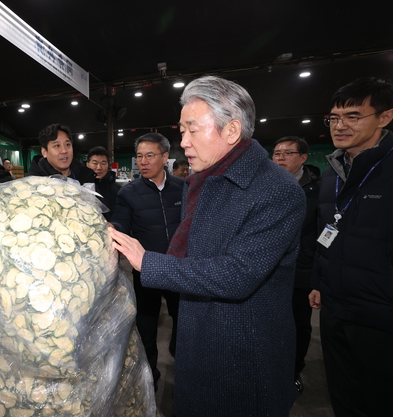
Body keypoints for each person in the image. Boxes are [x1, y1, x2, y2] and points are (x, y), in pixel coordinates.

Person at [110, 75, 304, 417]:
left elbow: (238, 274)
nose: (183, 142)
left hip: (244, 350)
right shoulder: (202, 182)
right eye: (181, 131)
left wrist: (148, 262)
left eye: (192, 130)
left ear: (230, 131)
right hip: (199, 337)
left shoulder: (276, 191)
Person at [309, 77, 393, 417]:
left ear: (385, 117)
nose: (340, 126)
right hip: (335, 307)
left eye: (353, 116)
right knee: (344, 397)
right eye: (334, 117)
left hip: (383, 316)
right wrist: (320, 280)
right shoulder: (334, 171)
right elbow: (326, 229)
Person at [111, 133, 183, 389]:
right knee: (147, 327)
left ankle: (182, 362)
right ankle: (149, 375)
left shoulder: (182, 188)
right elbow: (122, 222)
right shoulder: (128, 193)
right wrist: (112, 228)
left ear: (165, 157)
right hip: (147, 269)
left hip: (178, 269)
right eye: (139, 156)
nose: (143, 161)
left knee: (184, 321)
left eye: (150, 155)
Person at [272, 136, 320, 393]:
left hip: (300, 272)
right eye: (277, 153)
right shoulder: (264, 186)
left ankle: (293, 372)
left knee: (298, 325)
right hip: (268, 271)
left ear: (303, 158)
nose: (280, 157)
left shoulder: (316, 190)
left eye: (288, 153)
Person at [27, 123, 96, 184]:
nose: (64, 151)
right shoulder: (33, 184)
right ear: (44, 152)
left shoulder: (86, 177)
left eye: (68, 144)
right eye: (57, 146)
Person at [86, 146, 120, 220]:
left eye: (103, 163)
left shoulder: (118, 190)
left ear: (108, 165)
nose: (99, 167)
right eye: (95, 163)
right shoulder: (80, 187)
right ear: (87, 164)